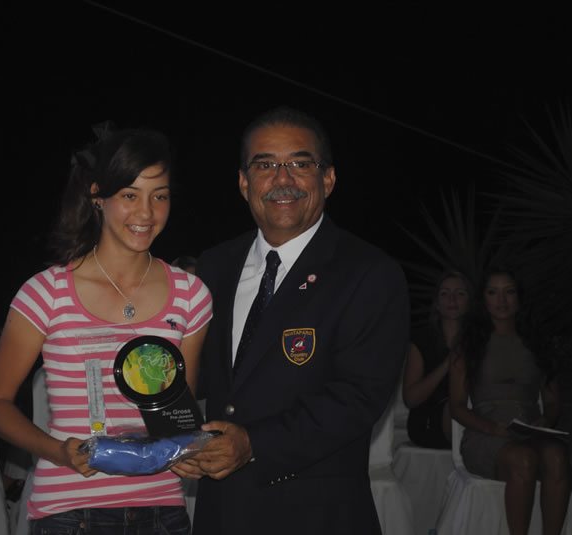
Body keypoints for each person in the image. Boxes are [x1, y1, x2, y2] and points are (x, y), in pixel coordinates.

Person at [174, 106, 410, 535]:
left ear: (328, 179)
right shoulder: (215, 265)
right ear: (244, 183)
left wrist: (252, 444)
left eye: (300, 164)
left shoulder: (369, 272)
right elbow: (198, 374)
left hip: (317, 513)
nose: (282, 179)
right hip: (222, 511)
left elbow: (358, 397)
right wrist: (171, 426)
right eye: (265, 165)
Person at [0, 126, 213, 534]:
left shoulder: (191, 295)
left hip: (161, 510)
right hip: (70, 512)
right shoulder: (47, 292)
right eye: (130, 196)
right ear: (97, 196)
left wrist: (193, 448)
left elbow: (178, 413)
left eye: (159, 196)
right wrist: (59, 451)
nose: (146, 213)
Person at [449, 267, 570, 535]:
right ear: (483, 298)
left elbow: (552, 402)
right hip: (485, 433)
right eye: (493, 292)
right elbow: (456, 406)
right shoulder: (469, 343)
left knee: (557, 456)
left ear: (519, 297)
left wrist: (545, 420)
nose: (501, 300)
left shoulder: (537, 342)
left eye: (509, 292)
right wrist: (491, 428)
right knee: (523, 460)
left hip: (529, 429)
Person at [403, 269, 472, 448]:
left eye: (460, 293)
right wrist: (449, 362)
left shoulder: (479, 340)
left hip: (472, 415)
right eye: (445, 294)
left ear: (469, 302)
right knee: (454, 407)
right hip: (429, 420)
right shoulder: (422, 340)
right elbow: (410, 399)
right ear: (437, 304)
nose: (452, 299)